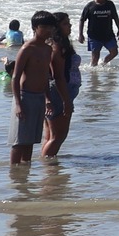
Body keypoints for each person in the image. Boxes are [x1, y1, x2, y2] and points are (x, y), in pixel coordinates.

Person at [9, 13, 59, 167]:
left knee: (30, 140)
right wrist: (18, 104)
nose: (47, 30)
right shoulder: (27, 48)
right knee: (19, 141)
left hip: (39, 98)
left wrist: (48, 98)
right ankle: (15, 173)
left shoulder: (47, 49)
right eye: (43, 27)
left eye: (50, 27)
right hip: (25, 97)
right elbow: (15, 77)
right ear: (34, 28)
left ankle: (25, 173)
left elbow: (45, 76)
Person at [42, 13, 82, 158]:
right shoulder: (56, 46)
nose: (70, 26)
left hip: (59, 91)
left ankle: (48, 170)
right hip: (60, 91)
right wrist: (66, 101)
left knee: (51, 135)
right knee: (58, 136)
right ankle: (48, 167)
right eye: (66, 23)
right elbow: (57, 76)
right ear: (57, 27)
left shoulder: (56, 44)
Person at [81, 0, 119, 65]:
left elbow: (115, 17)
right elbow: (82, 20)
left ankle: (103, 63)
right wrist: (80, 34)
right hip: (94, 36)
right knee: (95, 58)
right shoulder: (90, 6)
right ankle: (93, 75)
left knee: (114, 52)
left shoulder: (110, 4)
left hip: (108, 34)